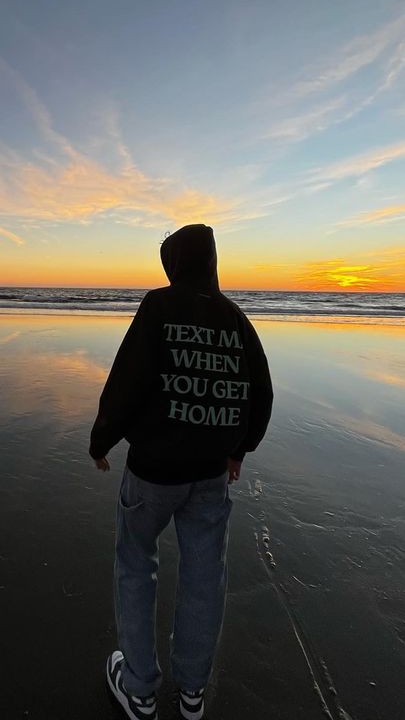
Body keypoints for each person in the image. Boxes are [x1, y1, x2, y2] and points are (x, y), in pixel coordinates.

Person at [89, 224, 273, 720]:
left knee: (135, 565)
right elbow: (261, 391)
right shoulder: (236, 319)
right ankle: (192, 692)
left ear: (174, 264)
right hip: (212, 474)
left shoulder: (158, 306)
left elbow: (129, 378)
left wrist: (101, 439)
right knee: (202, 577)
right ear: (211, 262)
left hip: (152, 473)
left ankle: (140, 690)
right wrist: (241, 449)